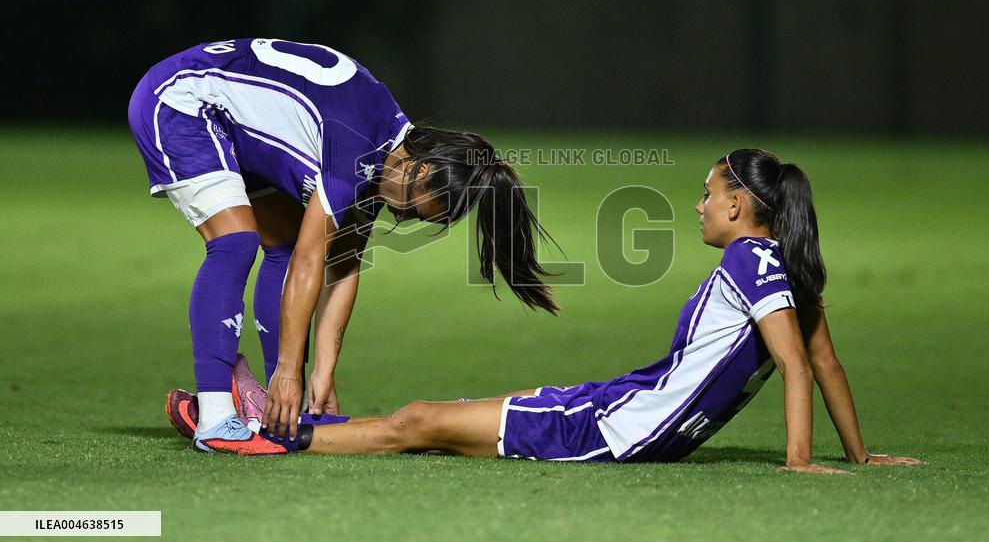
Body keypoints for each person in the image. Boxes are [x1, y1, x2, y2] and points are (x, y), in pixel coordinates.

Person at [253, 149, 923, 471]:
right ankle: (315, 426)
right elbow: (825, 364)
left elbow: (795, 364)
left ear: (738, 207)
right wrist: (860, 457)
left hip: (615, 428)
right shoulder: (793, 272)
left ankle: (271, 435)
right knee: (472, 410)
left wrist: (801, 461)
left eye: (706, 193)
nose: (697, 206)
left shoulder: (750, 262)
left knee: (420, 422)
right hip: (623, 403)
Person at [128, 38, 558, 455]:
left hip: (234, 124)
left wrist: (321, 372)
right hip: (181, 101)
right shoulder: (358, 150)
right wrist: (289, 372)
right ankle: (217, 419)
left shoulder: (387, 159)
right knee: (236, 240)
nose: (403, 218)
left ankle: (275, 411)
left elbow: (343, 266)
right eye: (412, 207)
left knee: (284, 244)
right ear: (421, 169)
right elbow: (310, 260)